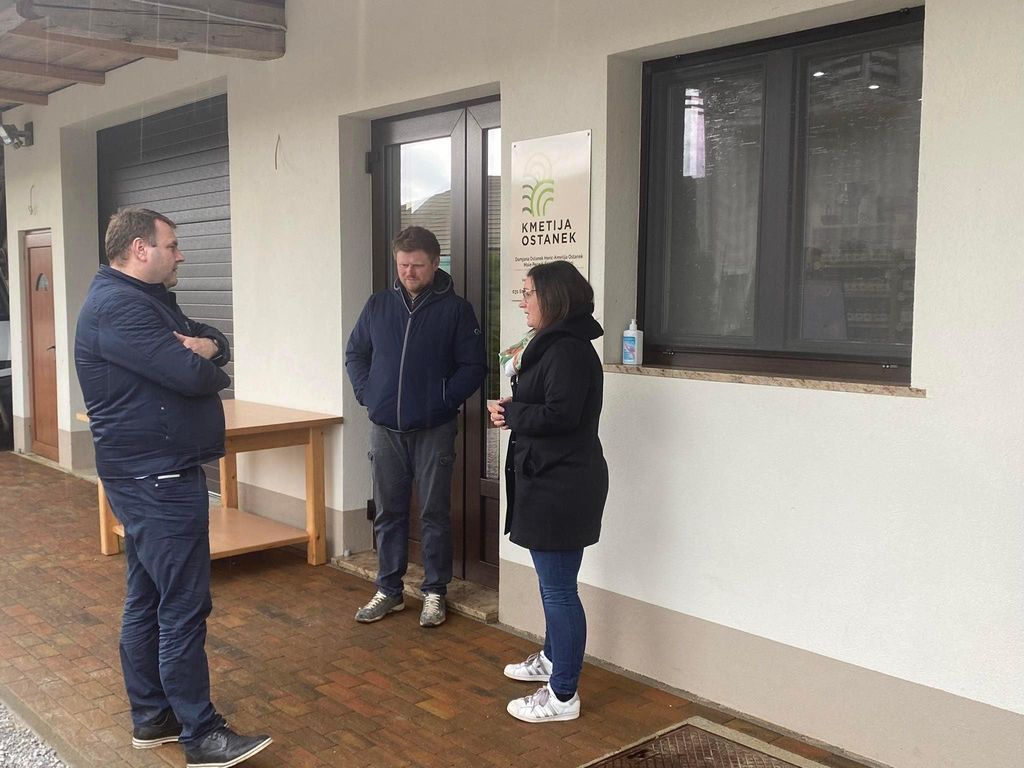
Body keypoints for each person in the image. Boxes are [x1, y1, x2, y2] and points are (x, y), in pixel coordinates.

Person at [74, 209, 272, 768]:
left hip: (153, 470)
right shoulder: (119, 307)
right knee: (183, 603)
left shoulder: (148, 299)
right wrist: (208, 361)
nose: (180, 254)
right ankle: (201, 734)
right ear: (141, 248)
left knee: (148, 596)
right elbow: (190, 374)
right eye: (172, 244)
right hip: (154, 476)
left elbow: (211, 339)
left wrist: (208, 347)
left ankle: (153, 715)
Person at [346, 225, 486, 627]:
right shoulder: (378, 305)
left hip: (433, 428)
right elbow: (356, 353)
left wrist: (443, 399)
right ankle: (389, 589)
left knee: (434, 513)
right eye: (403, 264)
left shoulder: (456, 310)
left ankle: (435, 591)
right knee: (389, 512)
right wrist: (368, 393)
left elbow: (474, 366)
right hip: (385, 427)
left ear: (435, 263)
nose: (409, 272)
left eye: (417, 265)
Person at [488, 260, 608, 723]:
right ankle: (553, 660)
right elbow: (550, 403)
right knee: (552, 585)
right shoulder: (554, 345)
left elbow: (562, 415)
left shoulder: (566, 351)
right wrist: (515, 407)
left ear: (552, 298)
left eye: (528, 293)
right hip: (551, 479)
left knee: (559, 591)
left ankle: (563, 696)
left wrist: (513, 414)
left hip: (562, 486)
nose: (523, 302)